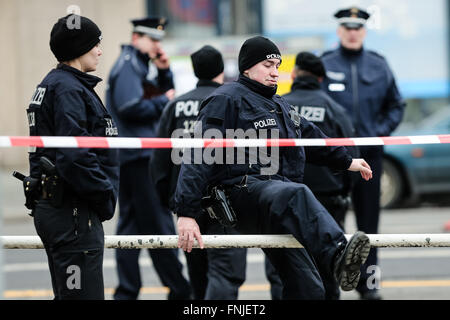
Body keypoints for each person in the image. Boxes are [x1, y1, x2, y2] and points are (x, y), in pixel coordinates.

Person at [175, 36, 373, 299]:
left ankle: (337, 261)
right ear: (247, 67)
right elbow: (198, 153)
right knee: (296, 193)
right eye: (268, 64)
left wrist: (347, 161)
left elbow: (311, 137)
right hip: (242, 193)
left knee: (310, 289)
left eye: (277, 66)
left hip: (275, 201)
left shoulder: (279, 104)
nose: (275, 71)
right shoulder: (225, 98)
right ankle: (339, 254)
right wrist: (186, 213)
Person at [25, 14, 119, 299]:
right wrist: (105, 195)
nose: (100, 51)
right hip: (74, 213)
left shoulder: (55, 84)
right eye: (95, 44)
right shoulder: (68, 89)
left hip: (61, 209)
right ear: (80, 47)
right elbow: (74, 155)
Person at [321, 7, 406, 300]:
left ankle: (369, 286)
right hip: (336, 159)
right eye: (347, 27)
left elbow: (397, 105)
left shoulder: (378, 65)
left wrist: (378, 131)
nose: (353, 32)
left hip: (370, 156)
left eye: (358, 27)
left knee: (370, 229)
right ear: (339, 30)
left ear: (365, 31)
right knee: (331, 226)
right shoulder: (325, 64)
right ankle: (330, 286)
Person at [151, 45, 247, 299]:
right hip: (227, 204)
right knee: (226, 273)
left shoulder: (175, 106)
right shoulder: (233, 102)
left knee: (198, 274)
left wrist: (172, 201)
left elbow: (159, 161)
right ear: (222, 70)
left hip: (185, 204)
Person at [106, 17, 191, 300]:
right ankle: (180, 289)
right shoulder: (129, 65)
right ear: (136, 38)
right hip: (139, 157)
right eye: (152, 40)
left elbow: (157, 95)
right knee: (158, 225)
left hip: (134, 157)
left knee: (130, 229)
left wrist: (164, 73)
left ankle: (127, 291)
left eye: (159, 40)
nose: (157, 45)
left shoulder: (140, 64)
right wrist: (162, 100)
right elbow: (130, 106)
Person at [264, 51, 359, 300]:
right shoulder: (334, 108)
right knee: (329, 262)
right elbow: (348, 152)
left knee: (282, 266)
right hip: (328, 200)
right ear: (321, 79)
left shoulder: (277, 105)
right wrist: (345, 192)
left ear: (294, 75)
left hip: (284, 196)